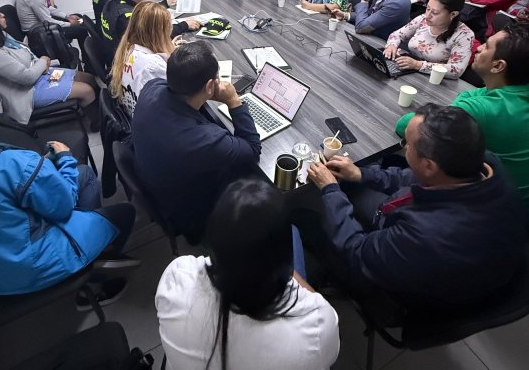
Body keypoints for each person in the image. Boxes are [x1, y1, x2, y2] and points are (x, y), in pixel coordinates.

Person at [307, 104, 525, 308]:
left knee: (306, 218)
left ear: (429, 165)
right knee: (352, 186)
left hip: (422, 286)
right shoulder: (482, 165)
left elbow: (357, 251)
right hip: (431, 235)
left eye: (407, 144)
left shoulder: (425, 234)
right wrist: (362, 174)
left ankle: (339, 281)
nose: (405, 147)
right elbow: (413, 176)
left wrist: (330, 189)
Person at [0, 83, 137, 296]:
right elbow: (62, 207)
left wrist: (40, 168)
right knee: (125, 213)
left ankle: (87, 246)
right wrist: (64, 158)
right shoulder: (12, 163)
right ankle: (96, 282)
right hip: (32, 267)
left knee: (83, 174)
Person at [156, 179, 340, 370]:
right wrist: (275, 264)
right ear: (282, 258)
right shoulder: (318, 324)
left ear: (213, 238)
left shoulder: (177, 278)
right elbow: (329, 353)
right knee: (293, 232)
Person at [131, 40, 262, 244]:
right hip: (190, 210)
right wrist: (234, 102)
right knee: (252, 173)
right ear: (210, 86)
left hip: (158, 179)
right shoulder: (203, 140)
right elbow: (253, 150)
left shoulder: (152, 87)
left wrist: (203, 96)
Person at [396, 22, 529, 212]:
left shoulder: (485, 108)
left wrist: (463, 100)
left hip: (489, 210)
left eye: (487, 46)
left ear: (498, 66)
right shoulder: (516, 94)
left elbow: (406, 126)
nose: (479, 47)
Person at [0, 0, 98, 127]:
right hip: (28, 92)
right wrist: (43, 62)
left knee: (89, 78)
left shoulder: (2, 36)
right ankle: (97, 124)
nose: (3, 15)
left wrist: (42, 64)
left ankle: (95, 111)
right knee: (86, 91)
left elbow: (28, 54)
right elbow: (27, 77)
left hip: (41, 76)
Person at [100, 0, 201, 52]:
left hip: (113, 52)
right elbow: (157, 34)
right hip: (125, 63)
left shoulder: (112, 1)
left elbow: (146, 12)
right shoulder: (127, 17)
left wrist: (168, 2)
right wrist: (185, 25)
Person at [384, 0, 473, 79]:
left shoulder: (464, 35)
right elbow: (397, 35)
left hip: (436, 80)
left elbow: (456, 70)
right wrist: (392, 45)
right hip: (408, 72)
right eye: (428, 8)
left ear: (453, 14)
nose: (427, 15)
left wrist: (418, 65)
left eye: (435, 12)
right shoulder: (423, 19)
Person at [109, 1, 178, 115]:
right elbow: (182, 95)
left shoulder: (128, 48)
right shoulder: (153, 66)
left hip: (134, 114)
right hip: (156, 120)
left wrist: (169, 51)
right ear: (159, 32)